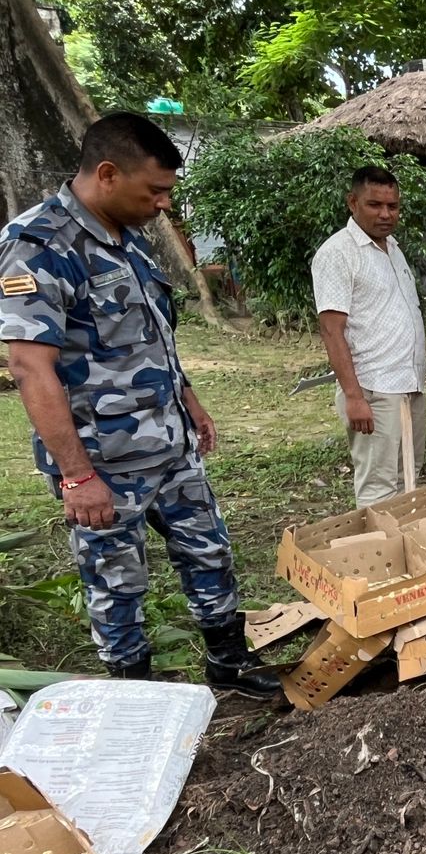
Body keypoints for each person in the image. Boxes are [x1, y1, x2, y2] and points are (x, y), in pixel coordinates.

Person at [0, 113, 279, 698]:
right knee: (116, 580)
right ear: (106, 174)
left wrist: (190, 400)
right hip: (104, 460)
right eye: (155, 190)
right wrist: (78, 477)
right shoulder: (38, 245)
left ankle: (229, 662)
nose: (163, 204)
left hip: (169, 442)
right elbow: (29, 366)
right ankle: (135, 693)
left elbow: (154, 337)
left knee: (209, 552)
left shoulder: (128, 241)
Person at [311, 165, 426, 505]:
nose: (386, 214)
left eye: (392, 206)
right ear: (352, 202)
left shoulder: (392, 248)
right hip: (373, 389)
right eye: (375, 205)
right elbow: (331, 329)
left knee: (409, 480)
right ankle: (378, 556)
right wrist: (354, 396)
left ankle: (404, 555)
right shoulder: (338, 253)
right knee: (378, 489)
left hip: (407, 384)